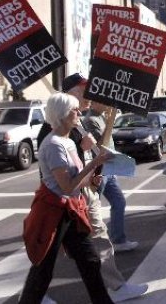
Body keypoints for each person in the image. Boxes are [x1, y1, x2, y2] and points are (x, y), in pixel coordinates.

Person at [34, 74, 148, 303]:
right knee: (85, 244)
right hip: (67, 197)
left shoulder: (76, 122)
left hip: (76, 195)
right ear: (72, 94)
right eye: (86, 90)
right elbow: (61, 172)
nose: (91, 95)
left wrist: (93, 176)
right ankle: (114, 288)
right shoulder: (53, 132)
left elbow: (79, 160)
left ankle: (37, 295)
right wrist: (92, 166)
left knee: (74, 251)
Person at [20, 93, 114, 303]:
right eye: (74, 110)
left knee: (90, 261)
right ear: (61, 115)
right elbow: (66, 186)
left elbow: (75, 179)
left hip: (71, 211)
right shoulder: (53, 144)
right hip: (54, 213)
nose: (79, 112)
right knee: (42, 271)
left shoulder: (68, 141)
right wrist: (94, 162)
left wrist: (91, 180)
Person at [83, 101, 139, 252]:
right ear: (95, 102)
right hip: (99, 169)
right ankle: (87, 244)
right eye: (104, 101)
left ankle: (118, 240)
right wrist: (109, 123)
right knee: (92, 207)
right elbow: (98, 147)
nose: (107, 104)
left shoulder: (100, 117)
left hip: (109, 168)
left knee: (119, 201)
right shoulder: (90, 120)